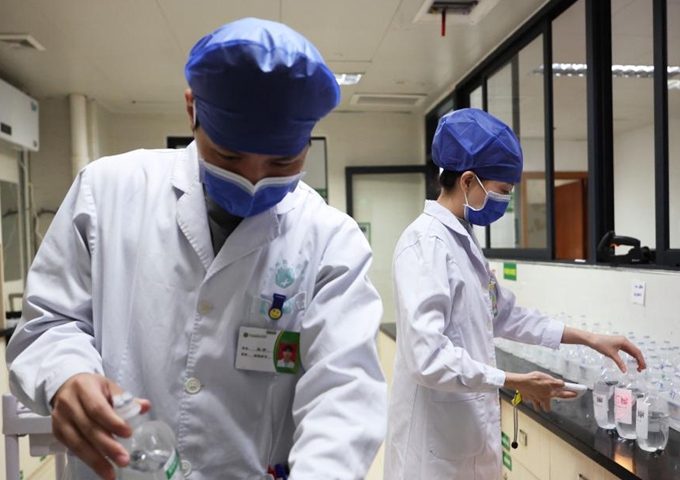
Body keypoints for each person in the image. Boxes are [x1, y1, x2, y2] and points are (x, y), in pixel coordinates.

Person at [7, 18, 386, 480]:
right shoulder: (106, 192)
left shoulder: (331, 241)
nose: (253, 180)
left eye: (282, 161)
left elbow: (344, 392)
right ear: (192, 111)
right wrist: (65, 373)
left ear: (309, 139)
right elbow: (49, 323)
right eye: (229, 157)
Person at [384, 108, 646, 479]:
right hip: (434, 453)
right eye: (503, 192)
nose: (505, 201)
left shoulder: (463, 241)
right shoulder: (424, 244)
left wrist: (588, 338)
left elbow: (504, 314)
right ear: (469, 181)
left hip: (467, 439)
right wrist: (514, 380)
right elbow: (426, 358)